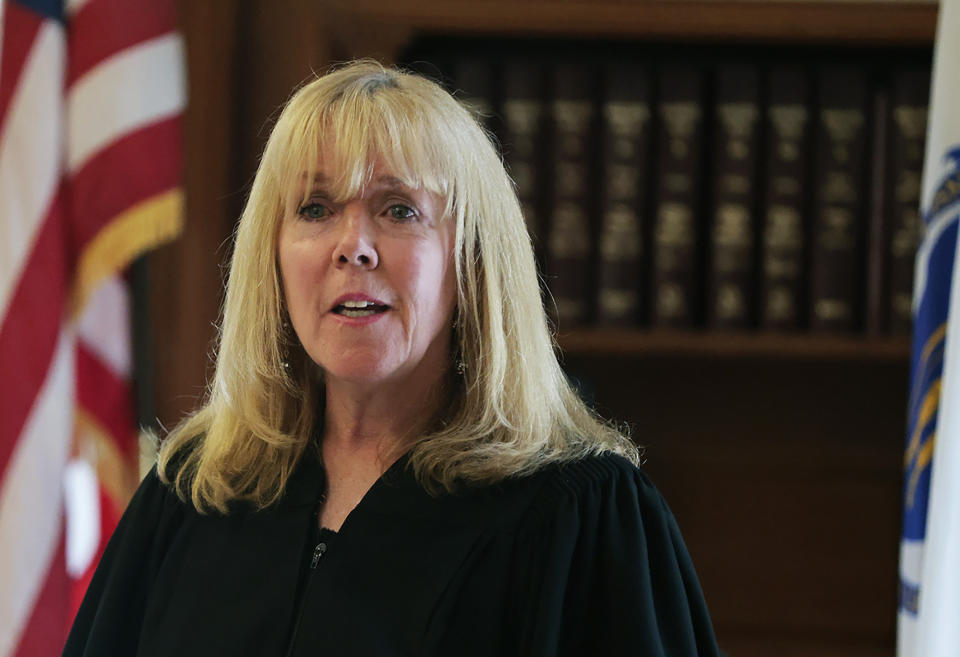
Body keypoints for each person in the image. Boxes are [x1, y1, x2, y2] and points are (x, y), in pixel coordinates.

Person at [63, 60, 722, 657]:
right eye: (316, 208)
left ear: (471, 263)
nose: (354, 246)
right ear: (273, 256)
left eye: (398, 209)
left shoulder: (579, 517)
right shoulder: (194, 493)